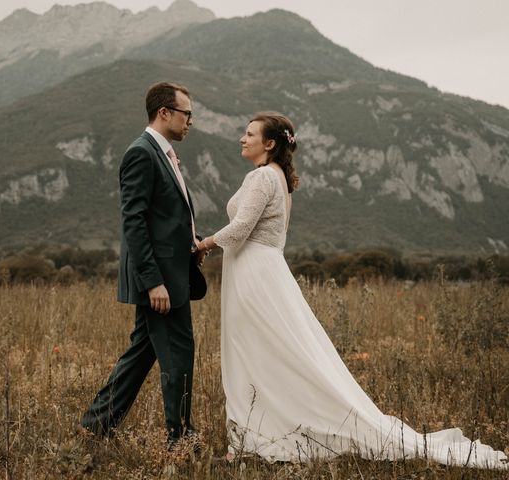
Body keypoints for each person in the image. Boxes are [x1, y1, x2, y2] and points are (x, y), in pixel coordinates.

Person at [196, 112, 507, 468]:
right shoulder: (280, 178)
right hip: (264, 272)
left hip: (254, 276)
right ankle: (258, 433)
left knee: (254, 354)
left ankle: (253, 439)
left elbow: (238, 231)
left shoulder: (262, 176)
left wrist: (201, 246)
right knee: (270, 354)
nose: (241, 138)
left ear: (270, 144)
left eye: (249, 134)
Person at [80, 82, 205, 447]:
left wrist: (191, 243)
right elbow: (132, 220)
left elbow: (163, 218)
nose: (190, 122)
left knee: (142, 351)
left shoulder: (161, 153)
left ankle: (95, 423)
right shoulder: (142, 153)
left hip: (172, 270)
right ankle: (180, 438)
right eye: (187, 114)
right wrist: (153, 282)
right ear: (164, 112)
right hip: (161, 280)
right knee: (179, 354)